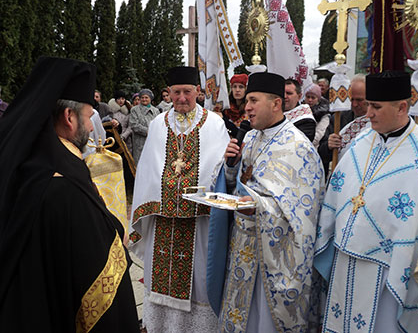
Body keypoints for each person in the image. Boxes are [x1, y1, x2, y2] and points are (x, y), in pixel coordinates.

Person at [0, 56, 139, 332]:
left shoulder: (23, 162)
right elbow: (101, 286)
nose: (93, 127)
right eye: (90, 116)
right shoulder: (64, 185)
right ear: (69, 117)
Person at [314, 70, 418, 332]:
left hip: (391, 272)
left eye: (376, 107)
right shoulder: (360, 142)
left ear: (402, 107)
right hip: (346, 262)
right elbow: (338, 191)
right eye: (368, 104)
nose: (368, 113)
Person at [219, 72, 324, 332]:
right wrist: (231, 166)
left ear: (276, 104)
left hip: (274, 257)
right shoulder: (252, 137)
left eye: (254, 100)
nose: (247, 107)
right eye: (247, 101)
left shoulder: (298, 147)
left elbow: (303, 213)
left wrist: (257, 205)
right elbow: (239, 182)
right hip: (243, 247)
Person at [130, 66, 230, 332]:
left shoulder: (214, 123)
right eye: (176, 93)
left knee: (199, 278)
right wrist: (166, 193)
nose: (182, 98)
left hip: (199, 222)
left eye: (187, 92)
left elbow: (219, 168)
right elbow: (148, 170)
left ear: (198, 91)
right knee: (161, 277)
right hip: (164, 220)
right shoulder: (157, 124)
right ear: (169, 94)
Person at [318, 74, 369, 175]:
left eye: (359, 100)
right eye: (351, 99)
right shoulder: (339, 118)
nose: (354, 104)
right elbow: (321, 153)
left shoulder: (379, 121)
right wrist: (329, 146)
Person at [129, 88, 160, 165]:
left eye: (146, 97)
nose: (144, 99)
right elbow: (134, 125)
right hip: (139, 143)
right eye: (142, 97)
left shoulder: (156, 111)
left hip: (153, 142)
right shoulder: (134, 110)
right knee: (140, 164)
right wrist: (148, 131)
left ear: (150, 98)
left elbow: (159, 124)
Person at [304, 83, 330, 148]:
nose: (310, 100)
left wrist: (303, 144)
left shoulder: (324, 114)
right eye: (308, 97)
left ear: (318, 99)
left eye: (313, 98)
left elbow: (319, 135)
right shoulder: (301, 111)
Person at [222, 73, 248, 138]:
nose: (237, 90)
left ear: (246, 89)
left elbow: (243, 135)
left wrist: (224, 120)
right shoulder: (226, 109)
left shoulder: (249, 109)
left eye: (241, 87)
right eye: (234, 86)